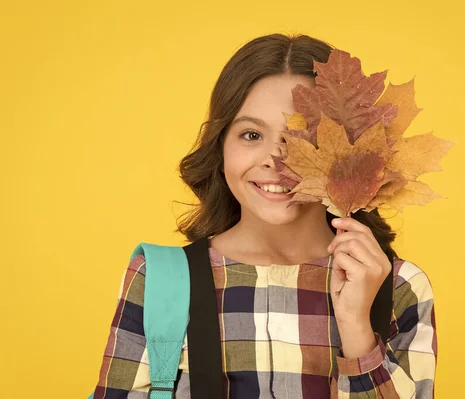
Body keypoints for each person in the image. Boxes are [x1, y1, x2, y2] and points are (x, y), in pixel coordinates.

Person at [90, 33, 438, 398]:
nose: (275, 159)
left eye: (302, 135)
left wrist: (357, 329)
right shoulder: (160, 281)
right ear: (220, 147)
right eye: (252, 134)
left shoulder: (399, 287)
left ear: (347, 153)